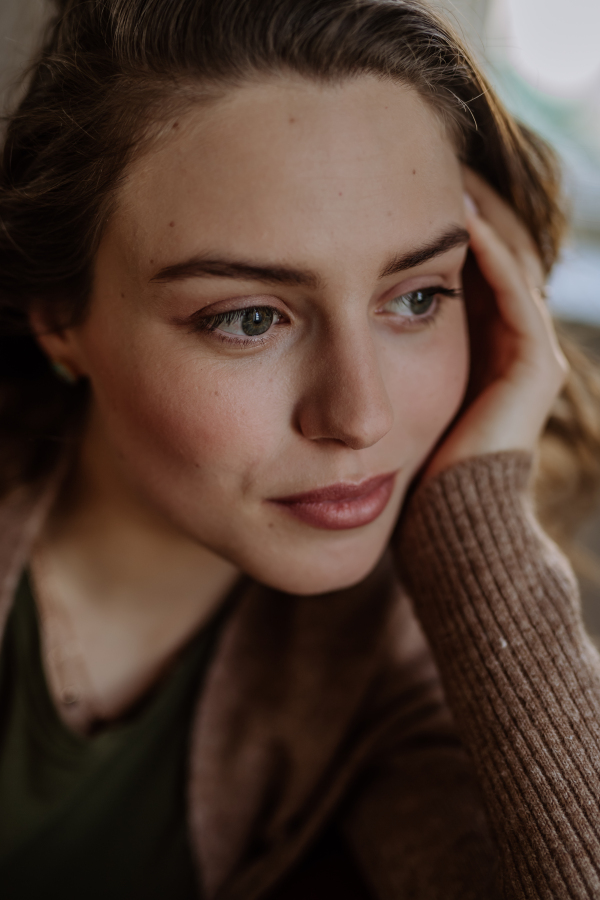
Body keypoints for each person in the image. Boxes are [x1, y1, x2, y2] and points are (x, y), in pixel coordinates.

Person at [1, 0, 600, 897]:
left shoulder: (400, 664)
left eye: (417, 298)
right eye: (249, 317)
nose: (358, 417)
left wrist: (485, 523)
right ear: (59, 319)